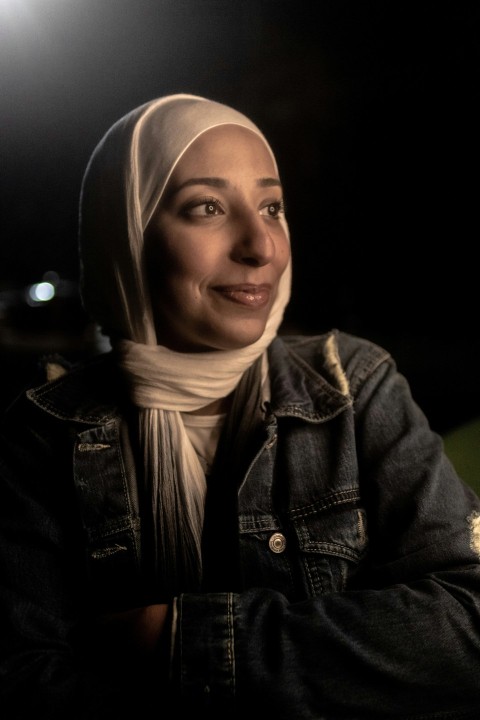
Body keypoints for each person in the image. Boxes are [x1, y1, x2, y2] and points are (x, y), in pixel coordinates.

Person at [0, 93, 479, 720]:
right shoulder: (44, 433)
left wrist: (179, 640)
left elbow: (467, 623)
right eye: (208, 207)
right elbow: (21, 678)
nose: (261, 246)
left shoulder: (354, 389)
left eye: (272, 207)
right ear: (128, 232)